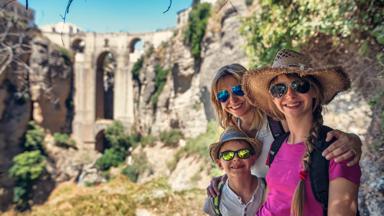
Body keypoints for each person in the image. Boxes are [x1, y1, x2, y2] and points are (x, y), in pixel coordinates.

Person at [207, 63, 362, 196]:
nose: (232, 100)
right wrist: (225, 180)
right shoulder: (231, 135)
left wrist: (353, 140)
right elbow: (242, 171)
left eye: (238, 90)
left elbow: (314, 134)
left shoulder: (278, 121)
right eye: (222, 95)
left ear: (250, 91)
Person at [242, 49, 361, 215]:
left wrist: (355, 140)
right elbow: (271, 200)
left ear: (314, 91)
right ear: (274, 98)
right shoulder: (277, 144)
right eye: (279, 89)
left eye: (299, 86)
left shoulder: (337, 150)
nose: (290, 94)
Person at [203, 126, 266, 216]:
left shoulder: (267, 189)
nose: (236, 159)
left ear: (253, 159)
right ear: (220, 164)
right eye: (227, 155)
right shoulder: (214, 200)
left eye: (243, 153)